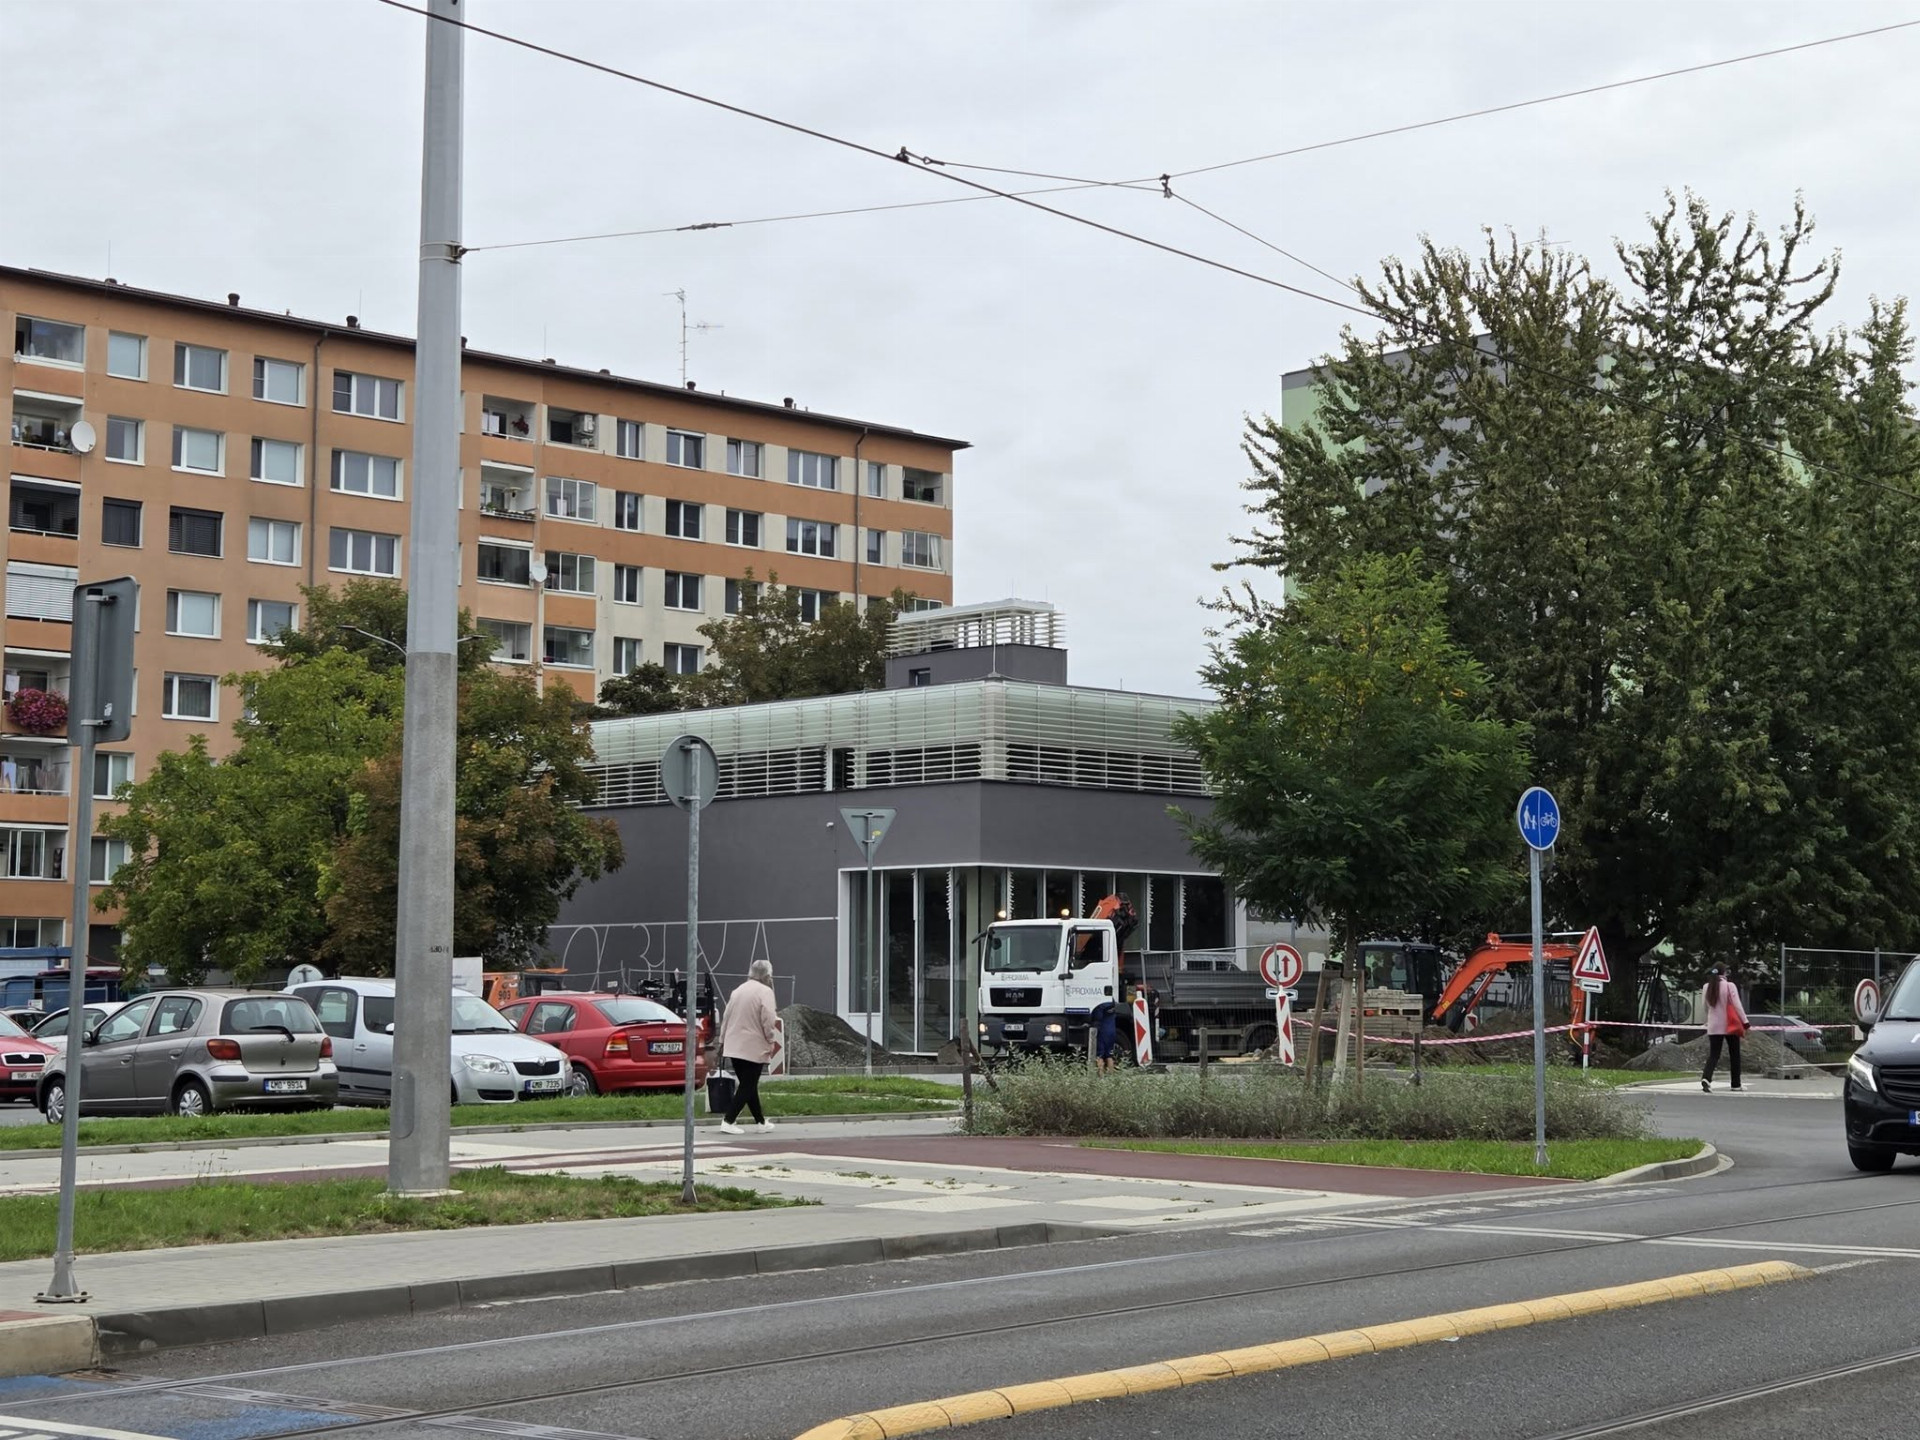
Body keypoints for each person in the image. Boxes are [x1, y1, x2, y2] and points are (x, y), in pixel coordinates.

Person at [717, 958, 782, 1134]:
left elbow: (726, 1017)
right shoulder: (765, 992)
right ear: (767, 976)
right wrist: (771, 1039)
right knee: (748, 1086)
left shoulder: (738, 990)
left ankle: (761, 1122)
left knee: (749, 1085)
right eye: (771, 976)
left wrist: (722, 1041)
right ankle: (728, 1121)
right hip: (754, 1046)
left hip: (734, 1045)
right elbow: (768, 1019)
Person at [1700, 965, 1747, 1093]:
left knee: (1714, 1054)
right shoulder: (1729, 986)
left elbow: (1705, 1007)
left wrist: (1709, 1019)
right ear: (1724, 973)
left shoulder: (1707, 986)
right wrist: (1745, 1021)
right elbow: (1737, 1005)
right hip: (1730, 1025)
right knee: (1734, 1054)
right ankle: (1736, 1084)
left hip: (1713, 1025)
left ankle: (1706, 1078)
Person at [1092, 997, 1119, 1075]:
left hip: (1102, 1032)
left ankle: (1101, 1076)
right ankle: (1111, 1075)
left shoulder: (1100, 1005)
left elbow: (1097, 1018)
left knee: (1099, 1055)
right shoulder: (1112, 1002)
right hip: (1112, 1032)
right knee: (1109, 1055)